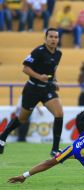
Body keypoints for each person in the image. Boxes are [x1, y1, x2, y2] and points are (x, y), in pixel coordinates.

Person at [0, 28, 63, 156]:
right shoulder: (38, 51)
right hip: (32, 89)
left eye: (56, 37)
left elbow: (53, 69)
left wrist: (55, 81)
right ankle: (3, 136)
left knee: (59, 113)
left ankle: (55, 149)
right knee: (22, 118)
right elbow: (25, 68)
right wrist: (40, 77)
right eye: (51, 37)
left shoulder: (58, 53)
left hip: (47, 89)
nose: (53, 39)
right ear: (45, 38)